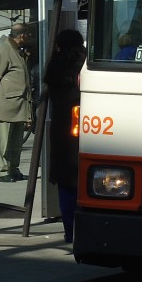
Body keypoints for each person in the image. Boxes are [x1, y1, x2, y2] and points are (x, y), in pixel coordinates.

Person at [44, 29, 84, 243]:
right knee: (83, 181)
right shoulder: (85, 65)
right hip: (85, 127)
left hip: (61, 129)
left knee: (66, 184)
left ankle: (70, 231)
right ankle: (83, 230)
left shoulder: (55, 66)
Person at [0, 22, 34, 182]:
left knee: (16, 140)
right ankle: (3, 171)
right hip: (6, 103)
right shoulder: (3, 50)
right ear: (22, 35)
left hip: (18, 103)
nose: (30, 38)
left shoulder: (18, 51)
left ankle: (13, 168)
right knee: (4, 141)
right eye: (29, 35)